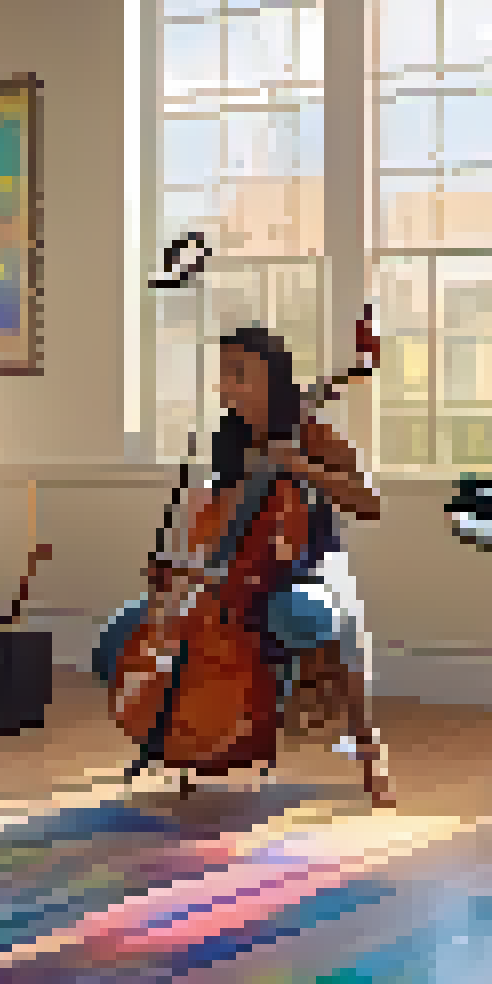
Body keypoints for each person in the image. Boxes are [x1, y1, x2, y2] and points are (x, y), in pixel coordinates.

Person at [143, 326, 390, 805]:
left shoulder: (314, 433)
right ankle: (203, 737)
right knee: (147, 626)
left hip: (312, 560)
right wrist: (183, 568)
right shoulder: (227, 438)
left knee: (320, 620)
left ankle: (367, 741)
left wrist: (302, 466)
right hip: (246, 564)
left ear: (273, 378)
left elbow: (370, 502)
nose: (227, 386)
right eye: (222, 375)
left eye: (238, 373)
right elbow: (227, 521)